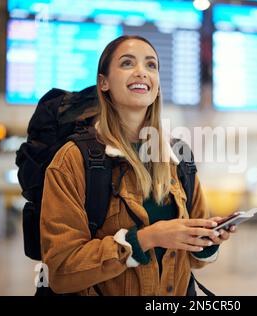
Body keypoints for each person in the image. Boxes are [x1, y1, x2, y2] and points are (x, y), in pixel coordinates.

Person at [40, 35, 236, 296]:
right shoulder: (72, 160)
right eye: (127, 63)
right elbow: (62, 271)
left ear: (157, 86)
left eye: (151, 65)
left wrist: (209, 239)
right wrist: (146, 238)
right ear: (104, 83)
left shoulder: (179, 159)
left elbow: (191, 259)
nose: (142, 72)